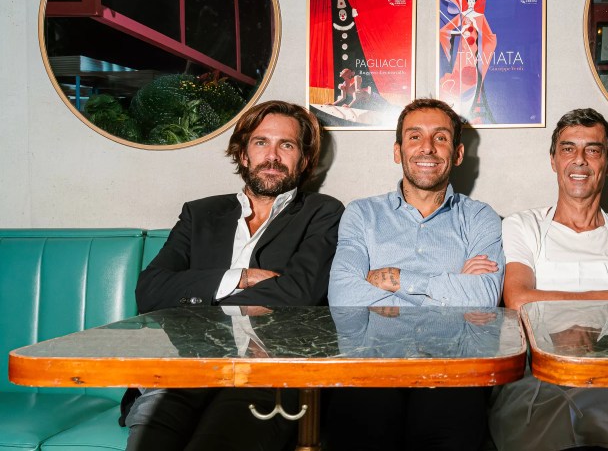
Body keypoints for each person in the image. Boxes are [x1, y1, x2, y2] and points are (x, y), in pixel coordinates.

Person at [123, 100, 344, 451]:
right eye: (261, 143)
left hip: (267, 373)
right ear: (243, 155)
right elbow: (149, 289)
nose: (272, 156)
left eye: (286, 145)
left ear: (303, 160)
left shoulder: (321, 212)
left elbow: (300, 294)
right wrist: (241, 277)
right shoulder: (200, 213)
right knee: (151, 440)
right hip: (184, 369)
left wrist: (198, 302)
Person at [325, 98, 504, 450]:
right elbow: (344, 293)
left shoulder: (480, 217)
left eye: (440, 138)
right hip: (370, 368)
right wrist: (450, 288)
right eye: (414, 137)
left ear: (457, 154)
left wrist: (398, 278)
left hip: (450, 371)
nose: (427, 148)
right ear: (397, 151)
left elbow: (484, 296)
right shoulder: (361, 213)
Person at [491, 108, 608, 451]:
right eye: (568, 149)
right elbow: (519, 299)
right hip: (539, 382)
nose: (580, 160)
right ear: (553, 160)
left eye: (593, 150)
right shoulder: (523, 226)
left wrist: (557, 310)